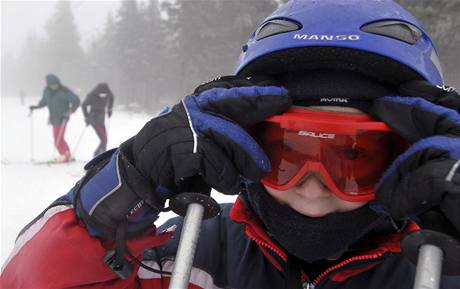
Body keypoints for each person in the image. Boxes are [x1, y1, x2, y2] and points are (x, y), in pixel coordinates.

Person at [2, 1, 459, 288]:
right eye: (289, 152)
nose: (313, 188)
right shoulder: (191, 258)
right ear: (246, 144)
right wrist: (116, 196)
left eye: (355, 157)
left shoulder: (443, 266)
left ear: (407, 156)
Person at [29, 74, 80, 162]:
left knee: (58, 139)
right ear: (48, 85)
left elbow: (76, 100)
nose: (54, 87)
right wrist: (36, 107)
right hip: (53, 118)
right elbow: (44, 101)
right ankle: (67, 154)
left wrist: (70, 111)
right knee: (59, 138)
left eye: (56, 84)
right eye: (52, 85)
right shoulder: (47, 91)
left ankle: (64, 155)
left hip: (63, 118)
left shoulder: (64, 90)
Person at [82, 82, 114, 157]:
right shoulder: (92, 95)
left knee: (104, 138)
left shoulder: (108, 93)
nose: (102, 95)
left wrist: (110, 109)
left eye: (104, 94)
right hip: (93, 117)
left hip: (102, 118)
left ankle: (99, 154)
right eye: (100, 94)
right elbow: (84, 105)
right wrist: (86, 117)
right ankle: (99, 155)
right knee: (104, 139)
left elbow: (112, 98)